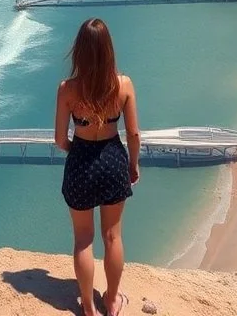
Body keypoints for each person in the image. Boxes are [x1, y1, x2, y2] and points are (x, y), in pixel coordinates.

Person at [54, 18, 140, 316]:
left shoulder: (67, 89)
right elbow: (133, 134)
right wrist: (132, 163)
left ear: (79, 51)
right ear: (108, 50)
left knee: (83, 239)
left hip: (81, 160)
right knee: (113, 236)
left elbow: (59, 139)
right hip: (113, 159)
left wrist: (75, 151)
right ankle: (113, 299)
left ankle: (89, 309)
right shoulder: (123, 84)